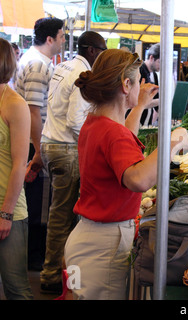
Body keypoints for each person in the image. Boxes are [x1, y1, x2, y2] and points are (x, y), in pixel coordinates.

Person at [64, 49, 188, 300]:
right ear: (125, 85)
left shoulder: (96, 122)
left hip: (85, 241)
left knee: (76, 294)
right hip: (103, 246)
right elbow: (138, 179)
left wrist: (140, 103)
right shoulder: (112, 132)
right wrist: (174, 141)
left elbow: (121, 138)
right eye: (137, 80)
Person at [38, 31, 107, 295]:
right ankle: (52, 274)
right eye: (101, 51)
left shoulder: (63, 65)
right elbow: (75, 119)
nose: (101, 57)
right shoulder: (81, 73)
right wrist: (94, 146)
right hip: (66, 148)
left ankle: (55, 271)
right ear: (91, 50)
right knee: (62, 216)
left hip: (51, 144)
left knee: (59, 214)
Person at [15, 17, 65, 272]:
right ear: (50, 39)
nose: (64, 40)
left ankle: (32, 255)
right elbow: (34, 111)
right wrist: (38, 150)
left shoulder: (39, 61)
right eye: (62, 35)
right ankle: (32, 258)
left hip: (35, 142)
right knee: (37, 205)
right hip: (35, 142)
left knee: (36, 203)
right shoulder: (36, 64)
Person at [0, 38, 33, 300]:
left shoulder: (14, 104)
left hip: (8, 208)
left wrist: (6, 214)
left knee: (16, 288)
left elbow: (20, 164)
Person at [138, 43, 160, 126]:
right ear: (151, 58)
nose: (161, 66)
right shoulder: (139, 72)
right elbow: (138, 101)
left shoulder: (154, 75)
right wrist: (161, 101)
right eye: (159, 62)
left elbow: (156, 97)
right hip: (137, 121)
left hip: (147, 123)